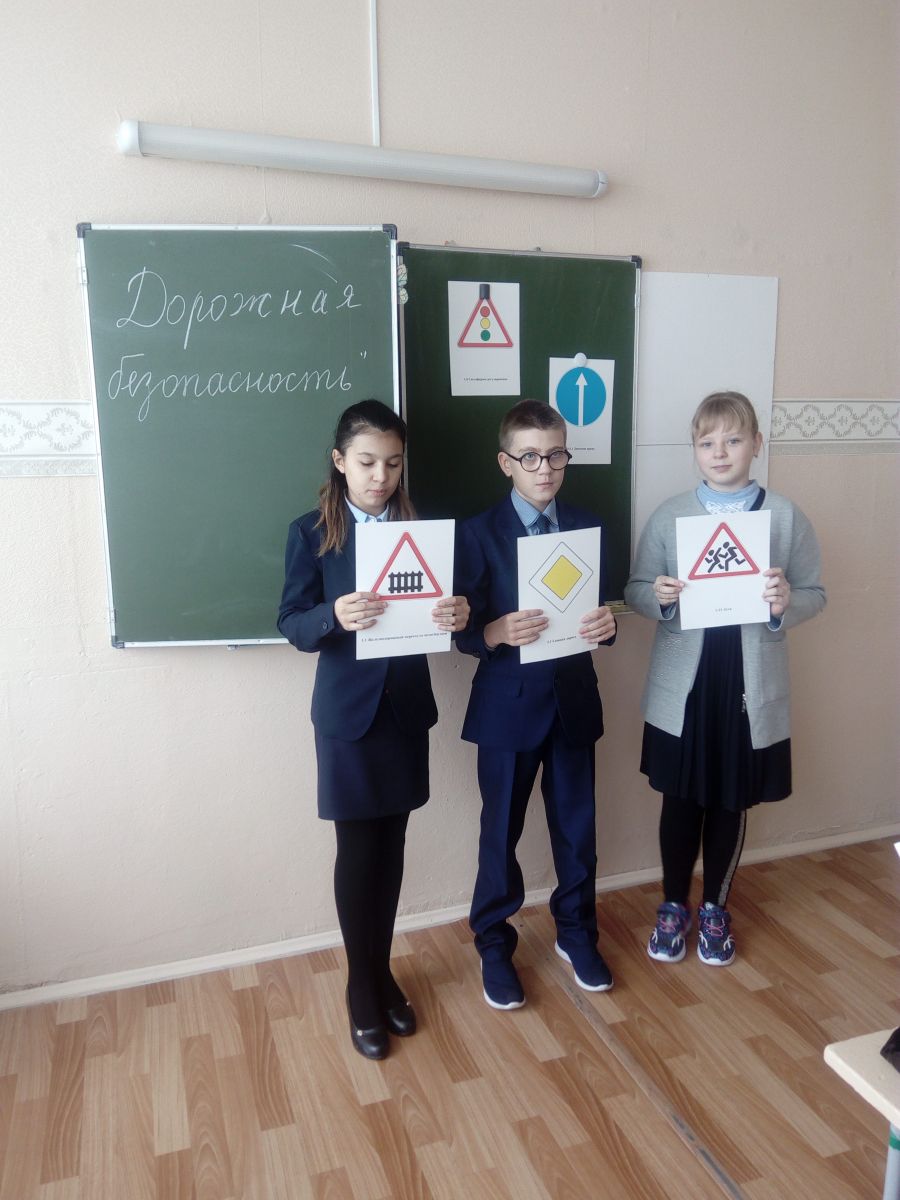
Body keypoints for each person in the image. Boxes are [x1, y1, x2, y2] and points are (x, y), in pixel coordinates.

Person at [277, 399, 469, 1059]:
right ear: (340, 462)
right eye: (366, 462)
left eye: (392, 463)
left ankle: (382, 972)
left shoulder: (422, 531)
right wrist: (333, 615)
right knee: (357, 852)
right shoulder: (311, 533)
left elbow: (450, 614)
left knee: (392, 848)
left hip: (404, 712)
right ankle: (362, 986)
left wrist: (458, 612)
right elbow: (292, 622)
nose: (380, 476)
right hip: (347, 718)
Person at [624, 391, 825, 967]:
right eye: (707, 442)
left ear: (756, 445)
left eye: (733, 440)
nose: (720, 452)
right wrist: (659, 596)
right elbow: (636, 590)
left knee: (731, 800)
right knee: (680, 798)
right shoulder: (671, 515)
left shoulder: (783, 515)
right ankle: (672, 905)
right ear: (694, 449)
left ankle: (715, 906)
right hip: (684, 687)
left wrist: (785, 602)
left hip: (747, 686)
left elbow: (814, 593)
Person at [455, 399, 617, 1010]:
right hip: (506, 707)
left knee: (577, 829)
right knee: (500, 831)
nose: (544, 468)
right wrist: (495, 632)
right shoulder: (477, 533)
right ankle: (495, 943)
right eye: (529, 457)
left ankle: (577, 934)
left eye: (555, 455)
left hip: (573, 702)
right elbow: (460, 630)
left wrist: (607, 626)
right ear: (506, 463)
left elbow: (601, 614)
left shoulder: (587, 525)